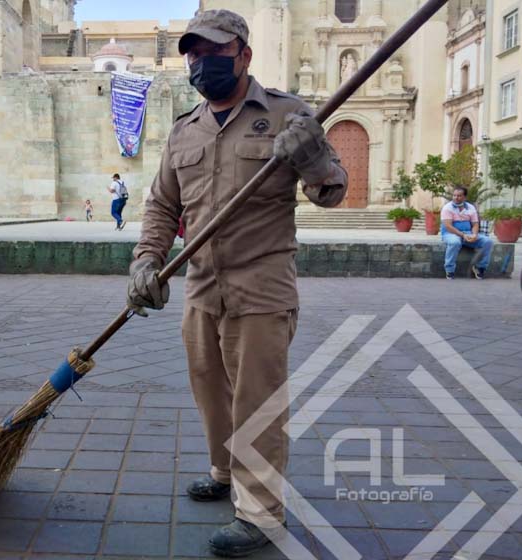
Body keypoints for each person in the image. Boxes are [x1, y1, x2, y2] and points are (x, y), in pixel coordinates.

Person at [127, 9, 348, 557]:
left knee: (257, 402)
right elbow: (162, 204)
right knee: (211, 392)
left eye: (214, 52)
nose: (202, 64)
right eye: (194, 54)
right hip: (201, 286)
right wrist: (146, 260)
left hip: (261, 286)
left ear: (244, 55)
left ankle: (261, 513)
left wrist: (316, 158)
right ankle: (225, 473)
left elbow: (332, 191)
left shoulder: (288, 115)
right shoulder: (185, 130)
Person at [441, 186, 493, 279]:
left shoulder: (470, 207)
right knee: (455, 242)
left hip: (467, 233)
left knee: (487, 242)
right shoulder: (447, 208)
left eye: (459, 196)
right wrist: (462, 235)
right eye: (454, 195)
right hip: (450, 234)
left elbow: (475, 224)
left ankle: (480, 267)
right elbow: (448, 226)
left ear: (464, 197)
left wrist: (474, 235)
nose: (456, 198)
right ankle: (449, 270)